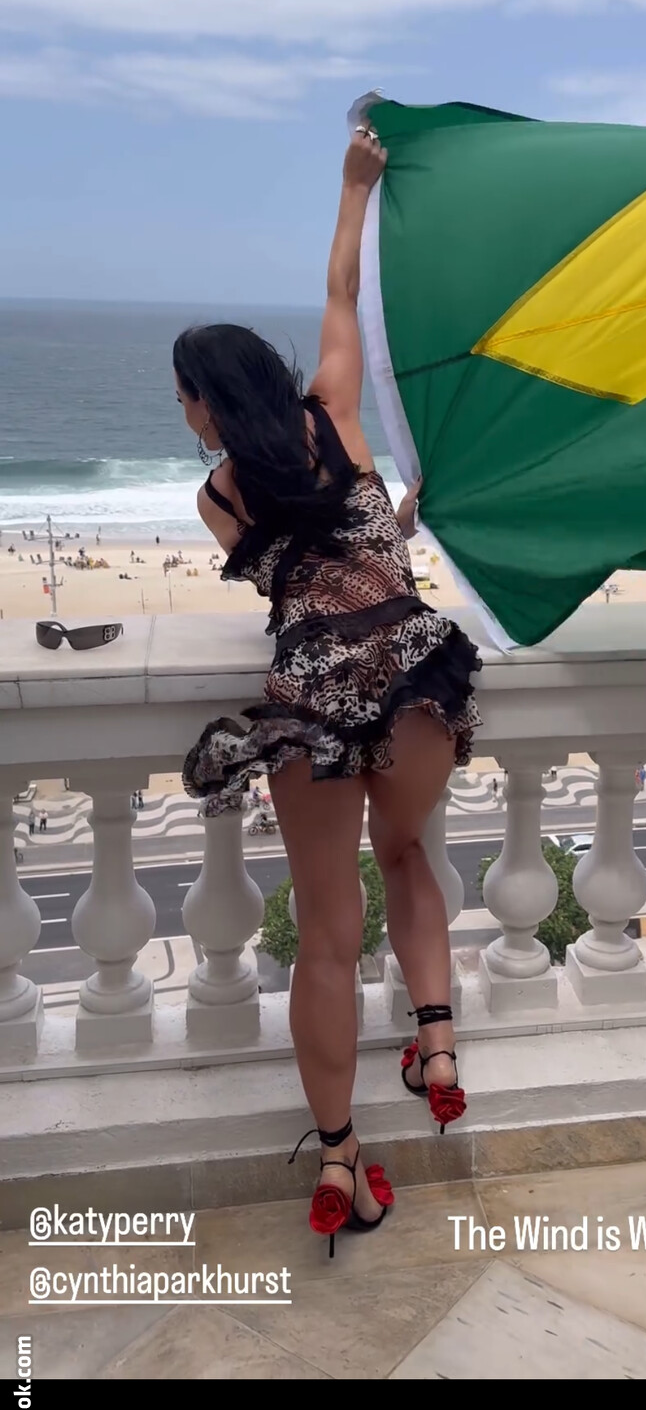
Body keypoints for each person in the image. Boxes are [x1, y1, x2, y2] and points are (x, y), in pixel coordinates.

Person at [176, 124, 482, 1256]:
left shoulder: (217, 496)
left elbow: (297, 578)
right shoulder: (335, 413)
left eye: (185, 400)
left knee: (324, 937)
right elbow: (342, 291)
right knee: (405, 857)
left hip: (312, 699)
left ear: (208, 403)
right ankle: (436, 1049)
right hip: (413, 673)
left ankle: (342, 1158)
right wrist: (355, 186)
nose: (186, 416)